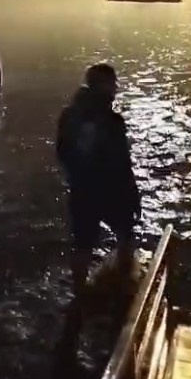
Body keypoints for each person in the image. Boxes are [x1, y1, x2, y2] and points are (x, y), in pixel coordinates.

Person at [56, 63, 141, 298]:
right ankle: (125, 286)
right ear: (104, 86)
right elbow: (122, 164)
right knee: (126, 234)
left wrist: (77, 175)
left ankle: (79, 294)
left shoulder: (68, 116)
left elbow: (62, 152)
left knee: (82, 243)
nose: (116, 88)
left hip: (81, 190)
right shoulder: (113, 122)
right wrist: (133, 195)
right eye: (113, 83)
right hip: (111, 191)